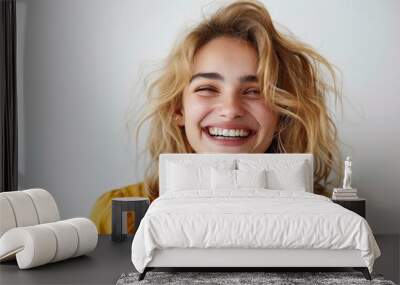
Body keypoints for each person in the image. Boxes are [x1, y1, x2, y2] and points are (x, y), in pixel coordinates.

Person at [91, 0, 343, 234]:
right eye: (207, 88)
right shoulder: (120, 214)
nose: (231, 109)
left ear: (281, 114)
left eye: (254, 91)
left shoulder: (327, 216)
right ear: (178, 109)